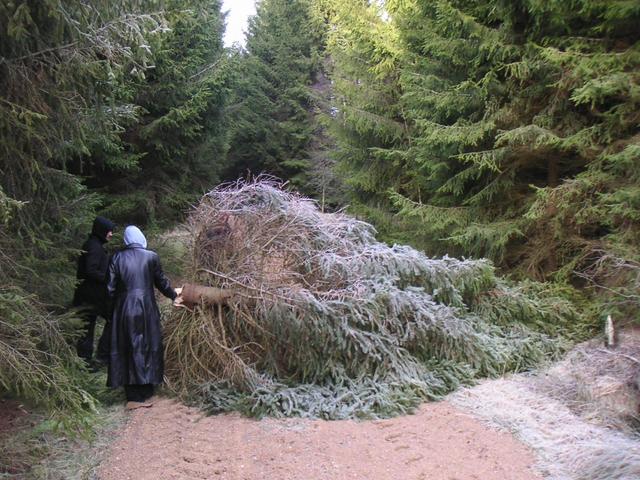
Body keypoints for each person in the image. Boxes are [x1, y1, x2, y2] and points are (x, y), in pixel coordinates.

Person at [106, 225, 181, 409]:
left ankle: (132, 394)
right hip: (147, 306)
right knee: (149, 343)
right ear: (140, 237)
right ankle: (147, 388)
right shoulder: (151, 256)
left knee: (128, 346)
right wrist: (174, 296)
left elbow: (109, 288)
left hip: (124, 308)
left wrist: (112, 311)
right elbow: (161, 282)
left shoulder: (116, 257)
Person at [73, 215, 115, 367]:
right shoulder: (94, 247)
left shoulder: (94, 245)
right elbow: (91, 270)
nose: (111, 234)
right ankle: (87, 361)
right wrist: (108, 278)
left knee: (91, 325)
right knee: (87, 327)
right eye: (109, 231)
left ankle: (91, 359)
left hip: (92, 296)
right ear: (101, 230)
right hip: (89, 297)